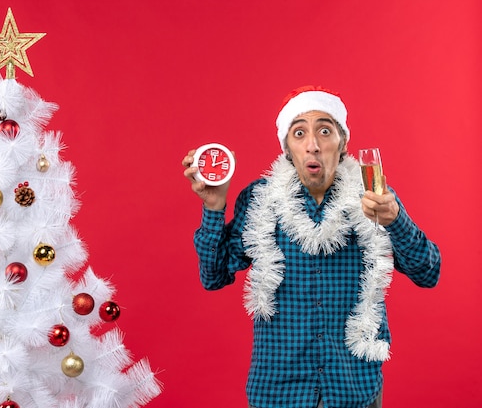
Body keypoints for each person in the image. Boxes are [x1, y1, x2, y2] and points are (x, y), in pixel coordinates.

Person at [181, 86, 441, 408]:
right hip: (278, 391)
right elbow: (213, 275)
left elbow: (428, 273)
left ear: (343, 143)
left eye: (325, 131)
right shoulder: (260, 200)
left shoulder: (375, 196)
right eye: (300, 133)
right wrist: (214, 206)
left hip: (354, 389)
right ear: (287, 148)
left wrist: (395, 219)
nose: (313, 145)